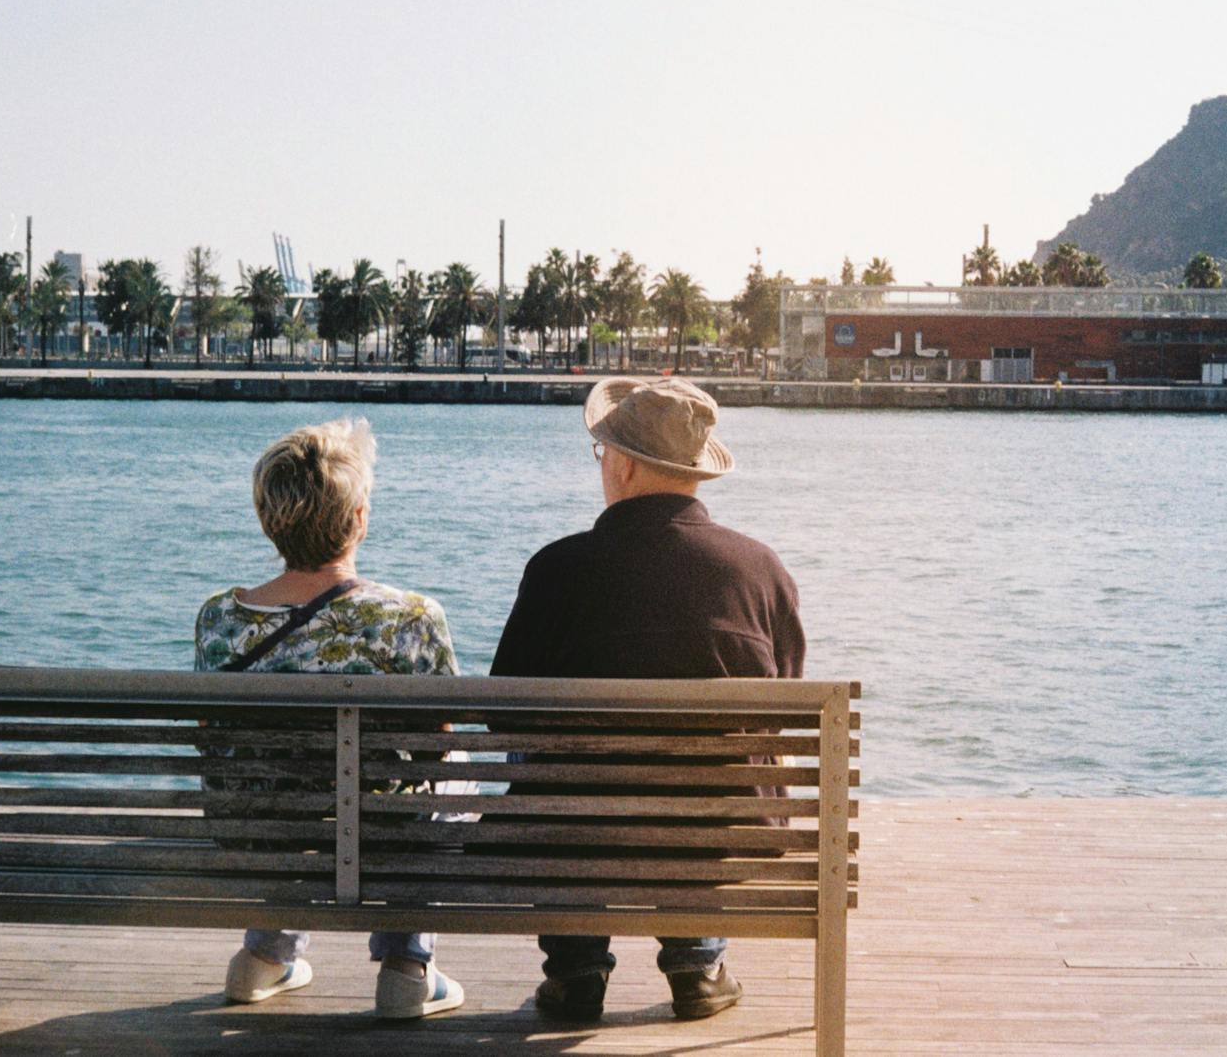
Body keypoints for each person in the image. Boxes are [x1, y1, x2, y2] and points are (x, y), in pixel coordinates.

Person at [491, 377, 806, 1022]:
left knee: (546, 760)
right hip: (720, 836)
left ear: (627, 465)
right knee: (724, 767)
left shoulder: (555, 570)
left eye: (603, 453)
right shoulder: (760, 571)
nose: (602, 466)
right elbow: (789, 707)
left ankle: (577, 967)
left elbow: (502, 711)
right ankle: (698, 962)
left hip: (573, 836)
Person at [194, 417, 466, 1020]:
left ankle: (265, 955)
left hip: (258, 836)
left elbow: (214, 739)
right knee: (453, 765)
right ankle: (406, 964)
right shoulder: (413, 618)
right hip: (379, 837)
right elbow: (441, 741)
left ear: (269, 519)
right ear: (360, 518)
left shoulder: (218, 618)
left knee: (281, 782)